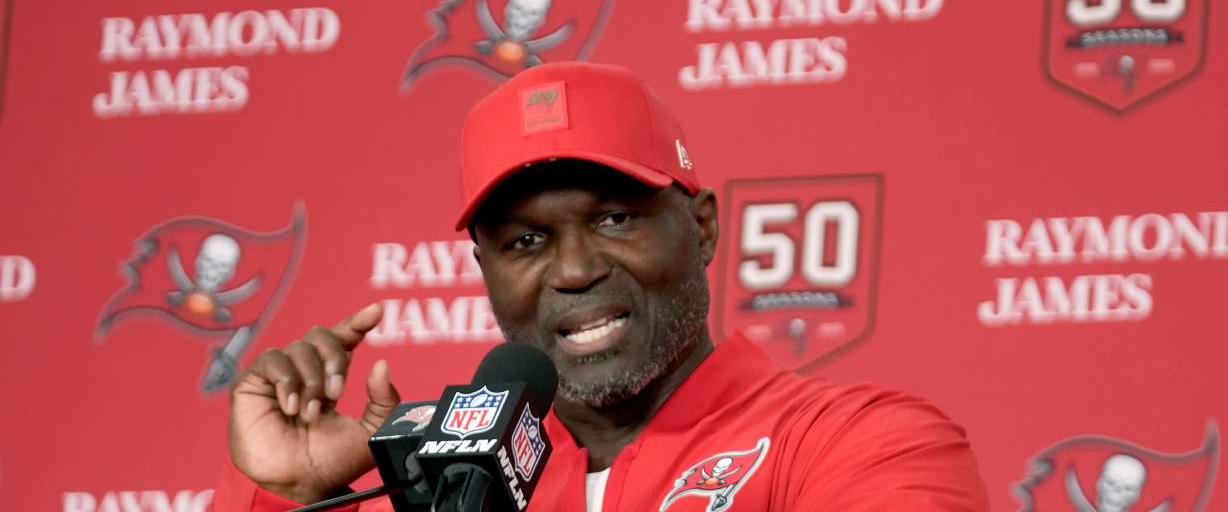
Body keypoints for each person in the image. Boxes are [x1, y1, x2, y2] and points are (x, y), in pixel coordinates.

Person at [209, 62, 989, 512]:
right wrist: (286, 495)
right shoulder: (438, 493)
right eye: (525, 241)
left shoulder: (861, 441)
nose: (575, 269)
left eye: (615, 218)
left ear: (705, 227)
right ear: (486, 275)